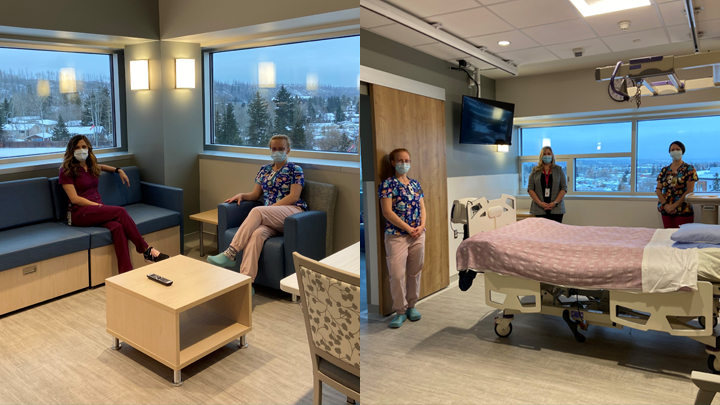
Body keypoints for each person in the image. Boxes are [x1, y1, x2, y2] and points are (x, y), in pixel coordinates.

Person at [207, 135, 307, 294]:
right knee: (256, 235)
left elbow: (294, 196)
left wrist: (270, 209)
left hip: (291, 212)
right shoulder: (264, 170)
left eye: (281, 149)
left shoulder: (296, 170)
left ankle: (231, 252)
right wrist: (242, 195)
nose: (277, 152)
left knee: (257, 211)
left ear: (288, 150)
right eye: (274, 149)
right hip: (269, 219)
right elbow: (255, 195)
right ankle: (246, 283)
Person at [59, 135, 169, 274]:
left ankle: (126, 273)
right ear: (71, 150)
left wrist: (119, 170)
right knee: (120, 211)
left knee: (117, 227)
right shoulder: (66, 171)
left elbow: (102, 167)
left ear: (89, 148)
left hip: (96, 210)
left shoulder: (90, 166)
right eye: (77, 148)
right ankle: (146, 250)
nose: (81, 150)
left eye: (84, 147)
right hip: (79, 213)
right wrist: (97, 206)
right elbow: (74, 199)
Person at [378, 148, 426, 329]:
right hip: (396, 236)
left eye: (407, 160)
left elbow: (422, 208)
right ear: (393, 162)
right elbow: (387, 212)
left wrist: (421, 227)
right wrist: (408, 228)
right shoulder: (387, 185)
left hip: (418, 235)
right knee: (397, 275)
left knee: (415, 272)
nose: (404, 163)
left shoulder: (415, 184)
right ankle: (400, 310)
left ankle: (412, 306)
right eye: (400, 160)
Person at [656, 141, 697, 229]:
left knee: (683, 239)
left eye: (677, 149)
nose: (675, 151)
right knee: (667, 238)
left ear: (682, 151)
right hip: (666, 210)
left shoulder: (689, 169)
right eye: (672, 150)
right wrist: (666, 205)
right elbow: (658, 189)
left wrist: (673, 206)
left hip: (683, 210)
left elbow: (689, 191)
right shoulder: (665, 170)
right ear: (669, 152)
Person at [528, 146, 567, 223]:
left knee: (556, 233)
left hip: (556, 209)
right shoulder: (535, 170)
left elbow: (564, 188)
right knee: (541, 233)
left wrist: (555, 203)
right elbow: (530, 189)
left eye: (549, 154)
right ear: (541, 156)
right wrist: (540, 203)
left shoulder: (558, 169)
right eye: (544, 154)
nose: (546, 156)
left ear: (552, 155)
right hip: (539, 208)